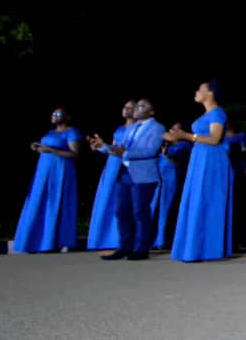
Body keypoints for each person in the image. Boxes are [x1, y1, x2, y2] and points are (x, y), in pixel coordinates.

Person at [165, 80, 232, 262]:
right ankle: (193, 245)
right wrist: (177, 137)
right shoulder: (207, 114)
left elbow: (215, 139)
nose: (196, 92)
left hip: (212, 159)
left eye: (200, 89)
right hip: (200, 156)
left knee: (206, 198)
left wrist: (186, 135)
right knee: (196, 198)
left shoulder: (217, 112)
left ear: (210, 93)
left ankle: (208, 247)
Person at [101, 99, 164, 260]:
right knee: (121, 211)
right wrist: (102, 146)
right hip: (125, 172)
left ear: (151, 112)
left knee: (140, 211)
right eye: (137, 105)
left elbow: (151, 151)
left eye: (142, 106)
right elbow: (121, 148)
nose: (137, 108)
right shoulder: (132, 127)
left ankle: (142, 248)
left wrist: (126, 154)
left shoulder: (157, 128)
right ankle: (125, 247)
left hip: (144, 174)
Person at [13, 107, 81, 253]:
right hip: (44, 171)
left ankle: (56, 241)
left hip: (60, 170)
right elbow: (46, 148)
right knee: (39, 201)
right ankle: (35, 240)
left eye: (58, 114)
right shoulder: (50, 132)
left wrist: (51, 150)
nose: (54, 116)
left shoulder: (71, 132)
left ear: (67, 117)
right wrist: (37, 148)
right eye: (53, 114)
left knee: (55, 201)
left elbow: (74, 153)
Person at [87, 100, 136, 251]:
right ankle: (105, 239)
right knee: (108, 200)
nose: (126, 109)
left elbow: (127, 149)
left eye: (130, 107)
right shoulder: (119, 128)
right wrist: (100, 147)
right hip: (112, 166)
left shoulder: (140, 128)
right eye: (125, 107)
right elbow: (113, 148)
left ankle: (126, 239)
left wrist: (107, 146)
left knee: (126, 203)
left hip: (128, 166)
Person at [153, 123, 190, 250]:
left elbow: (178, 161)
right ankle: (154, 239)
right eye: (171, 129)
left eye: (174, 130)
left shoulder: (184, 146)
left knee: (168, 208)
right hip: (160, 180)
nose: (170, 131)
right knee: (157, 207)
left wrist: (166, 153)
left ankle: (164, 239)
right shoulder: (166, 145)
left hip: (173, 180)